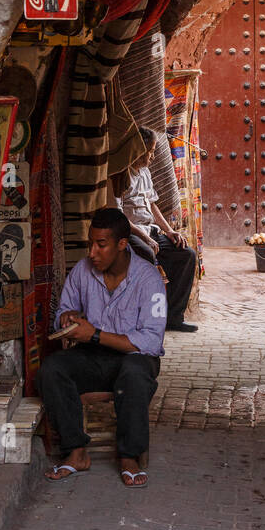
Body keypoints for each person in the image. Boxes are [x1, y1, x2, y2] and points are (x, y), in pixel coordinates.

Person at [38, 206, 166, 489]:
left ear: (122, 245)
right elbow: (66, 306)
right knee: (52, 369)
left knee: (133, 374)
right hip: (95, 358)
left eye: (101, 245)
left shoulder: (148, 279)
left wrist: (95, 334)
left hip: (135, 358)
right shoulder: (83, 271)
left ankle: (129, 456)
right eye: (90, 244)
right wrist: (67, 317)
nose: (92, 252)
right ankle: (76, 451)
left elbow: (150, 342)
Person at [113, 125, 198, 333]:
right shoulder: (119, 175)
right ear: (137, 149)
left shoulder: (145, 172)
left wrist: (169, 231)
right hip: (130, 233)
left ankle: (173, 317)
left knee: (186, 254)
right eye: (149, 152)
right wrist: (144, 236)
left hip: (149, 231)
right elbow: (119, 215)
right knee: (146, 254)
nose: (151, 157)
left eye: (152, 152)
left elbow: (152, 204)